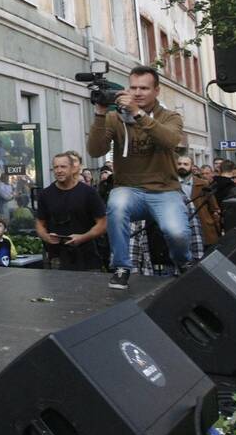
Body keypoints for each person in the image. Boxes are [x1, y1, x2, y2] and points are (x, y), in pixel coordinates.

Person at [87, 65, 191, 290]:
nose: (137, 93)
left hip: (165, 190)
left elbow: (170, 140)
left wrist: (138, 113)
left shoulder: (170, 116)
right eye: (133, 87)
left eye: (144, 88)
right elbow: (95, 150)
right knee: (116, 205)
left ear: (157, 91)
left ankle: (182, 262)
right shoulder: (115, 118)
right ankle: (122, 267)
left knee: (177, 233)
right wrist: (100, 114)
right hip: (129, 188)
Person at [34, 153, 107, 271]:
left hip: (87, 257)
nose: (59, 170)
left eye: (63, 167)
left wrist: (82, 237)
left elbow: (102, 224)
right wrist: (47, 237)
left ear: (73, 168)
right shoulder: (45, 194)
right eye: (56, 167)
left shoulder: (89, 193)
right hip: (58, 258)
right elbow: (39, 224)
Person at [177, 155, 220, 246]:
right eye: (179, 164)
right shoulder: (170, 185)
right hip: (180, 226)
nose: (182, 166)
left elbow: (213, 207)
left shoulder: (203, 184)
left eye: (185, 164)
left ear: (192, 166)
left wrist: (216, 225)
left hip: (203, 226)